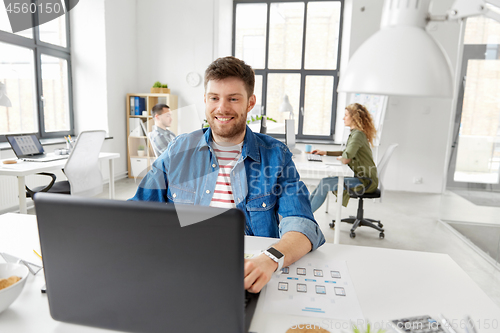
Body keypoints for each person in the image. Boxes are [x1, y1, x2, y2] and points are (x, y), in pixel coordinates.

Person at [130, 56, 325, 293]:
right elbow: (137, 210)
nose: (222, 108)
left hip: (245, 272)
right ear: (205, 100)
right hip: (181, 266)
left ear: (250, 102)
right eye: (214, 98)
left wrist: (270, 258)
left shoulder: (276, 156)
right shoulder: (178, 150)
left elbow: (302, 224)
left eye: (233, 98)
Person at [309, 103, 379, 212]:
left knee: (325, 184)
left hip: (366, 182)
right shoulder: (356, 134)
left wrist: (341, 158)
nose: (343, 118)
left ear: (354, 117)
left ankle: (303, 215)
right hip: (363, 178)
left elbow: (346, 158)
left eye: (346, 115)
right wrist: (325, 152)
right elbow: (346, 152)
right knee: (324, 181)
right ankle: (302, 211)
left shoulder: (358, 135)